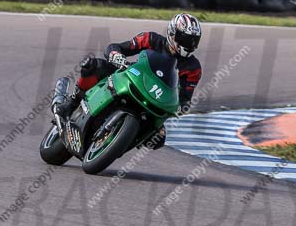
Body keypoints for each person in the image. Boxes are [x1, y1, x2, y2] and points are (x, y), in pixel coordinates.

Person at [54, 13, 203, 149]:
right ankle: (71, 103)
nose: (189, 44)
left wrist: (181, 107)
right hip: (134, 78)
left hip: (156, 100)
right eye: (185, 39)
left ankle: (120, 142)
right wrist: (117, 56)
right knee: (94, 65)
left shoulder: (193, 68)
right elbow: (116, 47)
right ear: (172, 33)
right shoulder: (151, 39)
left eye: (193, 41)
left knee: (158, 139)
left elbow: (185, 98)